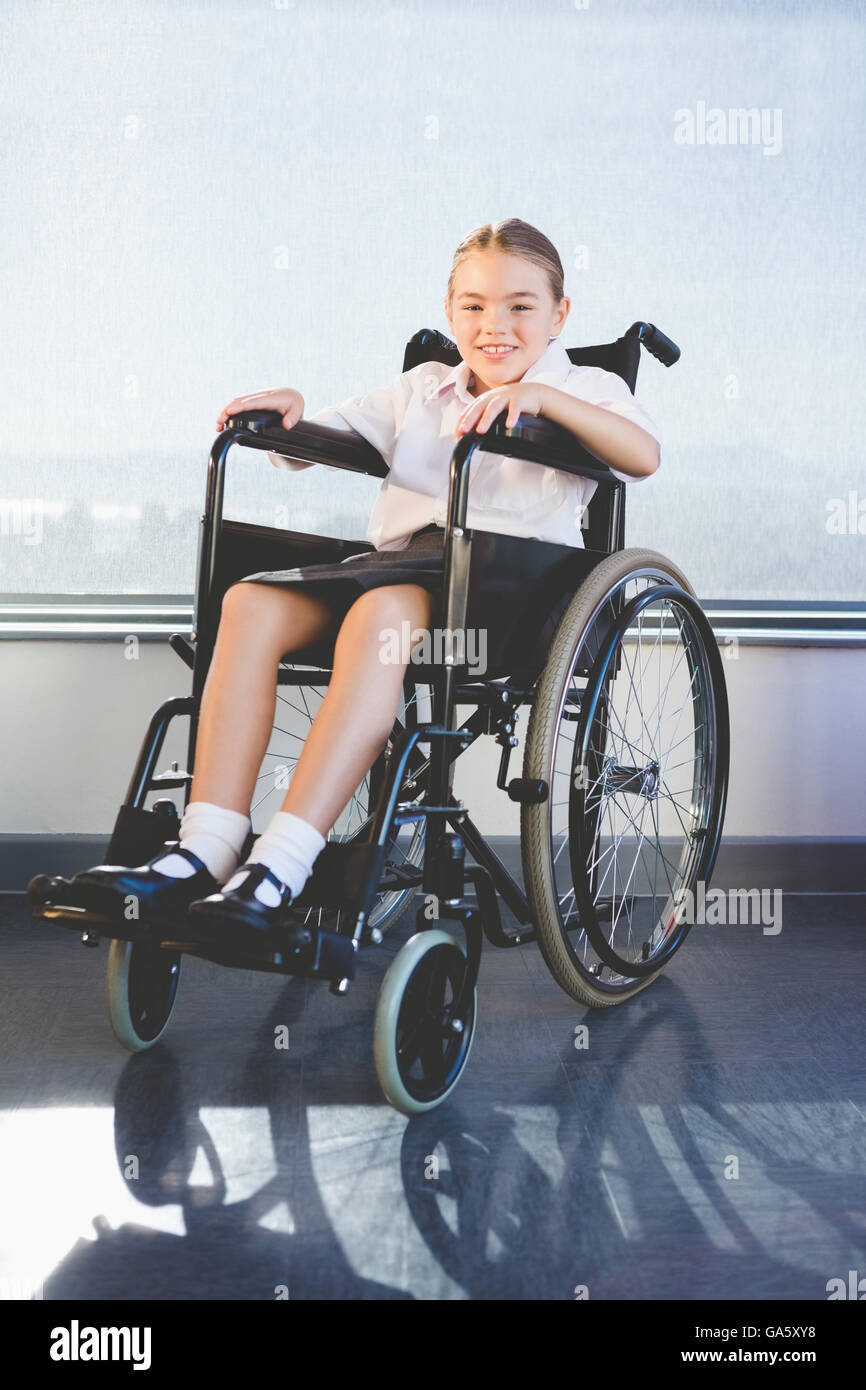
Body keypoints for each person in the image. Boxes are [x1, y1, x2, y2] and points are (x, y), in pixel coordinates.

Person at [78, 217, 661, 952]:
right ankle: (207, 848)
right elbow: (323, 437)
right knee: (249, 601)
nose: (495, 325)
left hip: (512, 589)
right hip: (405, 564)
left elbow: (641, 455)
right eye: (475, 306)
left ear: (559, 315)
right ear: (452, 312)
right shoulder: (424, 388)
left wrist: (547, 404)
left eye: (520, 306)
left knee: (381, 611)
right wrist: (289, 413)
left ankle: (282, 866)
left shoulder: (585, 385)